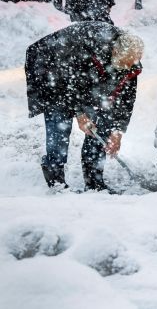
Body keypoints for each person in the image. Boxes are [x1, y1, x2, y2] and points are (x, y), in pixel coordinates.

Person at [25, 22, 144, 191]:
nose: (128, 68)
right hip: (50, 65)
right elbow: (67, 81)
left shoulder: (130, 62)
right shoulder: (88, 48)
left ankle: (94, 181)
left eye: (131, 64)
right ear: (115, 52)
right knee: (60, 119)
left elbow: (125, 100)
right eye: (125, 64)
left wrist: (117, 131)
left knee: (104, 120)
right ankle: (56, 179)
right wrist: (80, 114)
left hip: (80, 76)